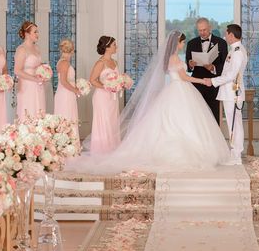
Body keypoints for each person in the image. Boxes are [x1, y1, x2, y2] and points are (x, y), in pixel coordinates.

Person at [67, 31, 229, 173]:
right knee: (183, 122)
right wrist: (203, 81)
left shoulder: (169, 58)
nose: (183, 44)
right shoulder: (174, 58)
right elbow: (184, 77)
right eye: (182, 42)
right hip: (180, 89)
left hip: (175, 90)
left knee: (171, 123)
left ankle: (112, 147)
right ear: (177, 43)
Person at [208, 24, 249, 165]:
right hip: (230, 92)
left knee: (234, 124)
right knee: (235, 123)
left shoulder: (237, 51)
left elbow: (232, 75)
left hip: (233, 92)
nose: (225, 36)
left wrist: (213, 81)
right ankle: (235, 152)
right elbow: (228, 72)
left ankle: (236, 155)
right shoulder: (234, 50)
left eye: (226, 34)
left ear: (231, 35)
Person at [186, 17, 228, 123]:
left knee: (215, 113)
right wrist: (190, 64)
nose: (202, 33)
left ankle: (216, 137)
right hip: (197, 84)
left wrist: (213, 68)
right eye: (200, 30)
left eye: (204, 30)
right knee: (196, 114)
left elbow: (225, 65)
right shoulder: (191, 43)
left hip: (214, 84)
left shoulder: (221, 43)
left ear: (210, 27)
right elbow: (188, 65)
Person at [87, 36, 121, 155]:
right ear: (107, 47)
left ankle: (112, 149)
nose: (116, 47)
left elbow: (117, 78)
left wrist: (121, 82)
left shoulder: (115, 62)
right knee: (103, 122)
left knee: (112, 122)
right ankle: (102, 151)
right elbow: (92, 80)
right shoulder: (100, 63)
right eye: (114, 45)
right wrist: (107, 87)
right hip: (102, 97)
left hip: (113, 98)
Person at [15, 21, 47, 119]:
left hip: (38, 84)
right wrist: (34, 78)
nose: (38, 34)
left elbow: (38, 65)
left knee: (39, 110)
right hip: (27, 85)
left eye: (37, 32)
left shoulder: (37, 48)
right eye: (35, 32)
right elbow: (17, 70)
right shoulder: (21, 49)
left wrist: (45, 71)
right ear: (27, 34)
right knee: (29, 110)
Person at [54, 39, 79, 133]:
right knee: (67, 117)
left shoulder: (63, 62)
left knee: (69, 116)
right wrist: (76, 90)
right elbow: (63, 81)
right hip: (66, 94)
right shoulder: (64, 63)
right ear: (72, 50)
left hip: (66, 93)